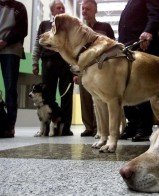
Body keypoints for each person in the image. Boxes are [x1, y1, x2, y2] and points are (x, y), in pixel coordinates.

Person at [118, 0, 159, 142]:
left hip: (143, 48)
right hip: (128, 49)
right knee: (128, 89)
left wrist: (149, 30)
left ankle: (144, 128)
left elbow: (155, 13)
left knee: (142, 89)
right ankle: (132, 125)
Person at [73, 0, 115, 137]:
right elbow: (75, 52)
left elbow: (113, 46)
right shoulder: (78, 30)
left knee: (101, 98)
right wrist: (75, 72)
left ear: (95, 10)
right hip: (84, 69)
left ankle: (101, 128)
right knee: (85, 98)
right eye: (83, 9)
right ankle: (88, 127)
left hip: (102, 69)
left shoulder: (105, 27)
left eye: (88, 9)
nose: (84, 11)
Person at [32, 0, 74, 136]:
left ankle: (65, 127)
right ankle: (45, 128)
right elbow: (37, 44)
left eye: (63, 8)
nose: (61, 10)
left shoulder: (69, 26)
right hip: (48, 63)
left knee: (66, 96)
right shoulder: (44, 25)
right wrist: (34, 62)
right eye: (58, 8)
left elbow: (74, 47)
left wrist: (75, 66)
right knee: (47, 97)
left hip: (66, 64)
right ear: (52, 11)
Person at [0, 0, 28, 138]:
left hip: (11, 49)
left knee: (10, 88)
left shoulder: (19, 7)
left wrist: (5, 41)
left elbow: (22, 30)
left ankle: (10, 126)